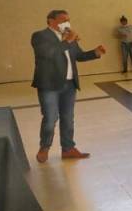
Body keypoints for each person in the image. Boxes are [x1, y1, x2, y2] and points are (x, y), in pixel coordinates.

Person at [31, 10, 105, 163]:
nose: (67, 23)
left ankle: (68, 149)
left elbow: (79, 56)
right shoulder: (40, 36)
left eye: (68, 20)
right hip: (49, 85)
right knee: (50, 118)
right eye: (63, 20)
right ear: (51, 21)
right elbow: (48, 54)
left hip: (70, 85)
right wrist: (67, 41)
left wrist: (95, 53)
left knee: (68, 118)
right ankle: (44, 147)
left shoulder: (69, 37)